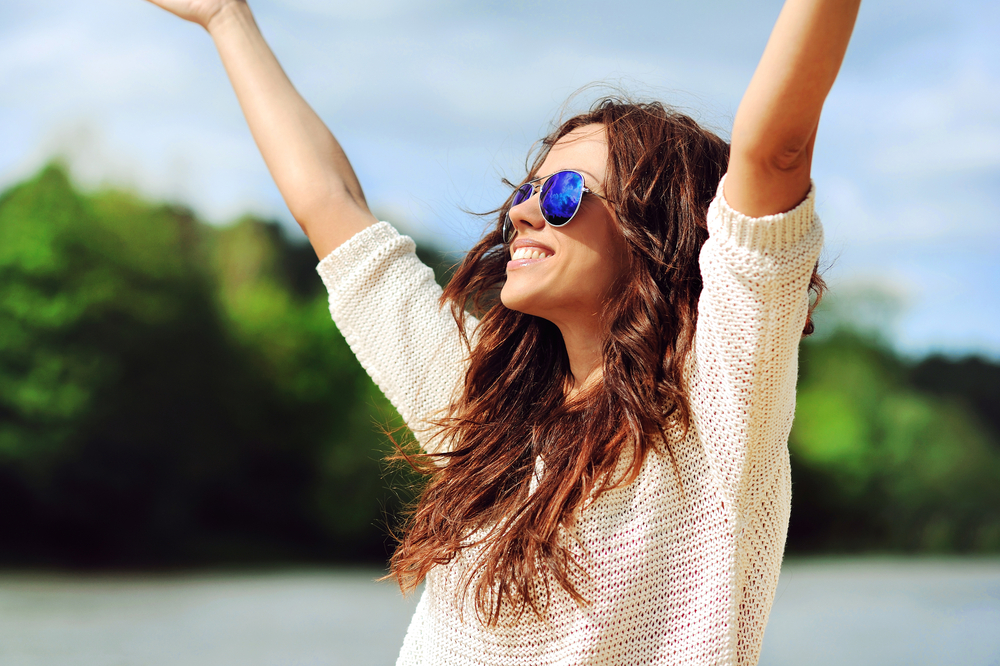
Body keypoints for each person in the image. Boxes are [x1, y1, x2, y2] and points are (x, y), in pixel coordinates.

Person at [143, 0, 861, 663]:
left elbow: (775, 155)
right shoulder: (487, 408)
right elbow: (331, 205)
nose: (522, 213)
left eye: (562, 194)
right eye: (525, 191)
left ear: (658, 235)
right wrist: (225, 18)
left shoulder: (720, 411)